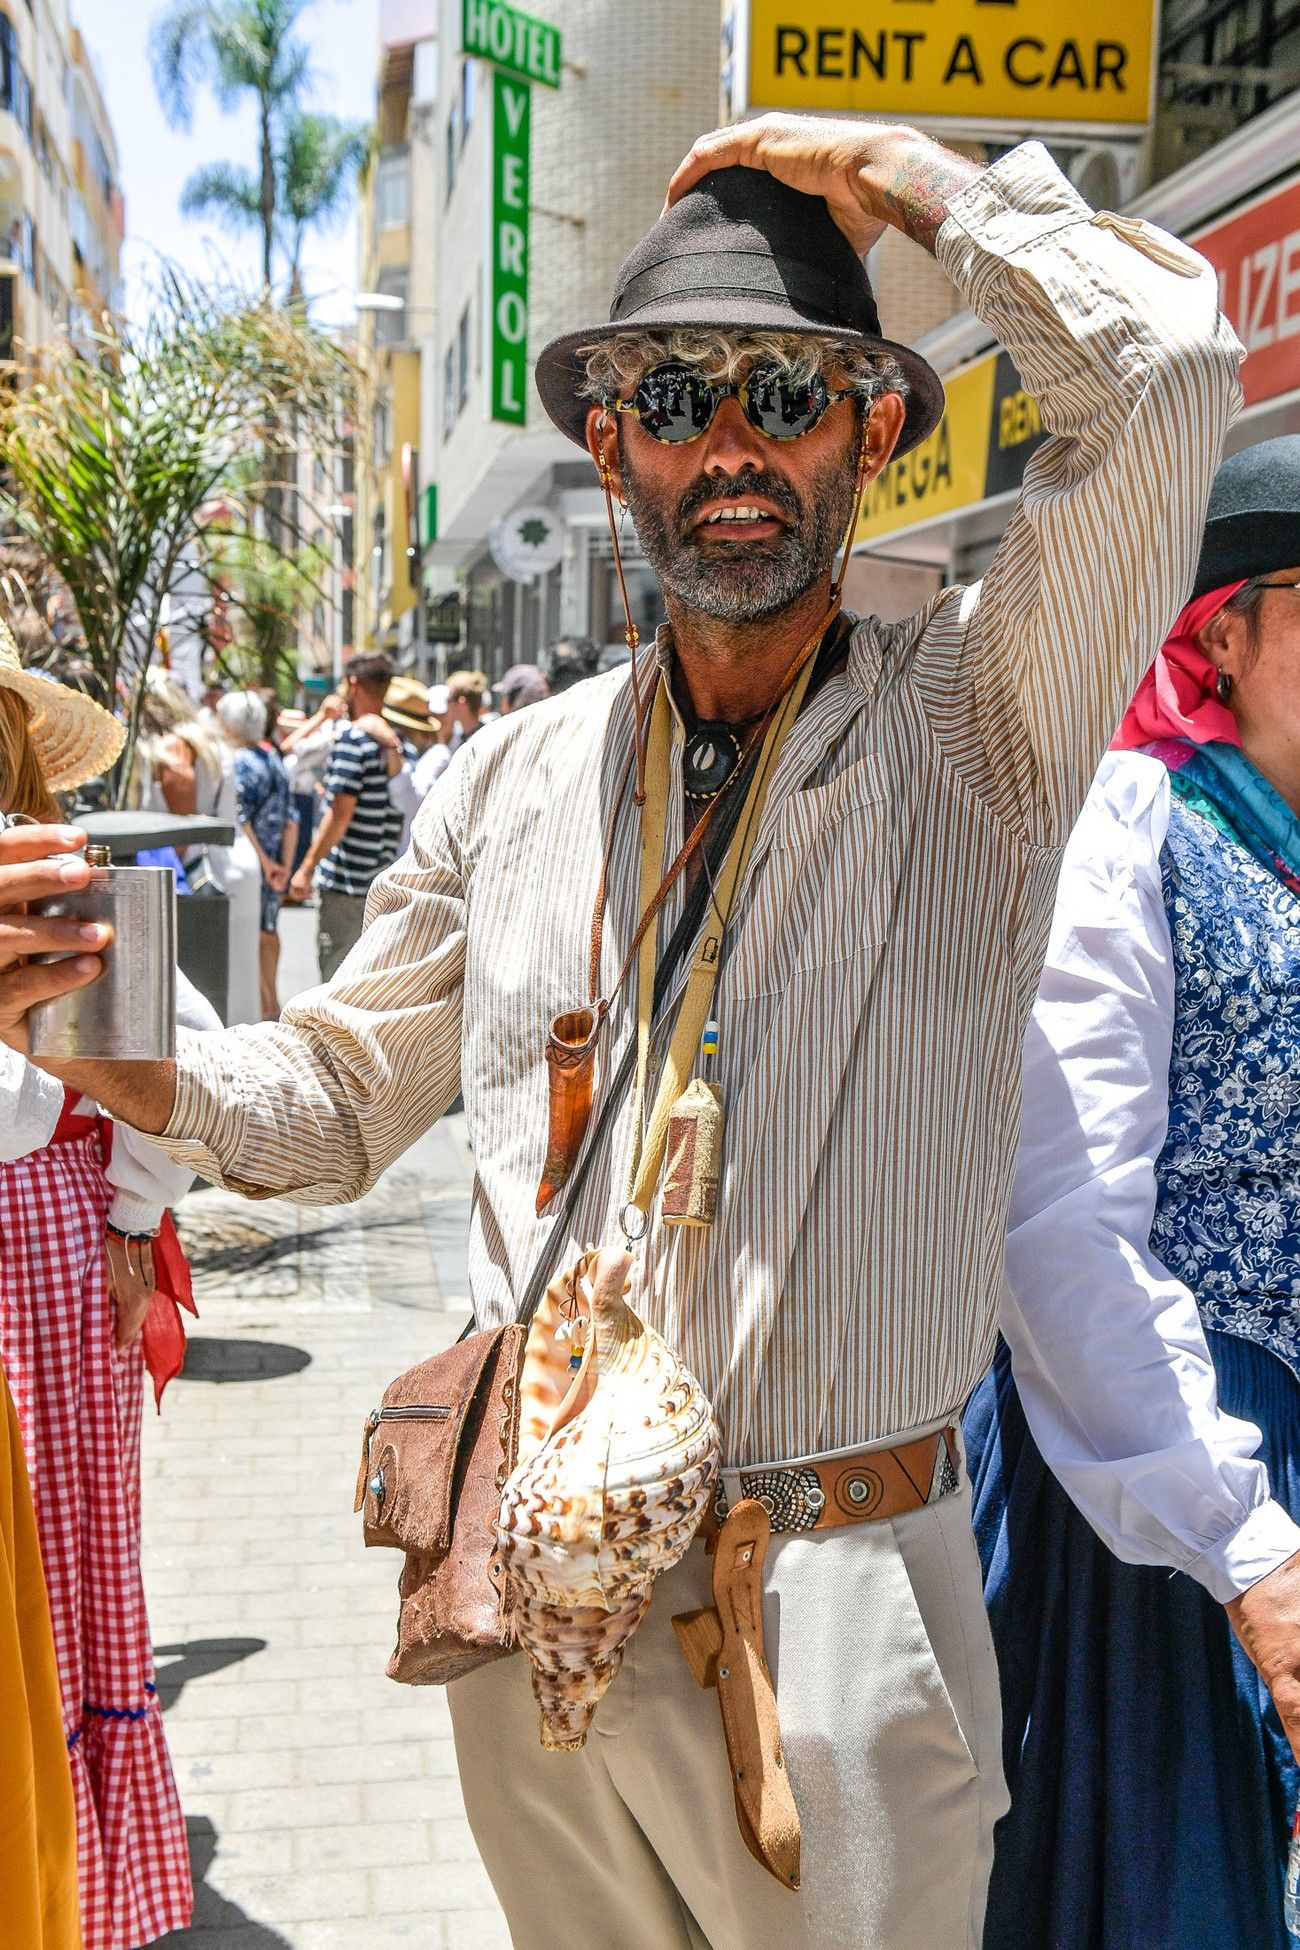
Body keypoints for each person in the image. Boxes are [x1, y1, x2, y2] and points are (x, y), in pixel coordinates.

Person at [0, 116, 1242, 1948]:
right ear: (610, 450)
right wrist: (89, 1037)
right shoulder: (507, 777)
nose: (731, 437)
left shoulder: (983, 716)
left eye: (788, 389)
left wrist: (908, 179)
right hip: (534, 1602)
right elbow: (340, 1100)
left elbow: (1163, 378)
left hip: (830, 1608)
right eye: (675, 393)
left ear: (873, 429)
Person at [964, 436, 1300, 1950]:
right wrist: (1241, 1540)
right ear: (1222, 631)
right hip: (1171, 1467)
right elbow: (1063, 1226)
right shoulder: (1136, 833)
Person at [0, 624, 211, 1947]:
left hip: (53, 1250)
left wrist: (131, 1211)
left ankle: (65, 1866)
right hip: (65, 1239)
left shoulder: (72, 896)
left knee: (62, 1563)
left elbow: (181, 1083)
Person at [133, 674, 262, 1024]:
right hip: (233, 862)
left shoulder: (173, 746)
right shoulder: (212, 743)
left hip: (200, 873)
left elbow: (182, 823)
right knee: (238, 982)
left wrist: (171, 864)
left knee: (207, 983)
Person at [288, 652, 407, 980]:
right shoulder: (394, 743)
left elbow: (340, 816)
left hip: (346, 885)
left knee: (335, 984)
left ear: (353, 684)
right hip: (381, 883)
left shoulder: (353, 740)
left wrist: (307, 868)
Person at [217, 691, 298, 1021]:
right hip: (274, 865)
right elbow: (292, 819)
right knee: (268, 931)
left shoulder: (238, 763)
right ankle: (271, 1005)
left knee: (249, 936)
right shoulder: (274, 760)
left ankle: (262, 1007)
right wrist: (284, 867)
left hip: (253, 866)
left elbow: (240, 818)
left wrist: (264, 863)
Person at [442, 668, 486, 754]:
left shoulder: (483, 741)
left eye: (449, 700)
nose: (447, 705)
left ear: (462, 703)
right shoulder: (460, 739)